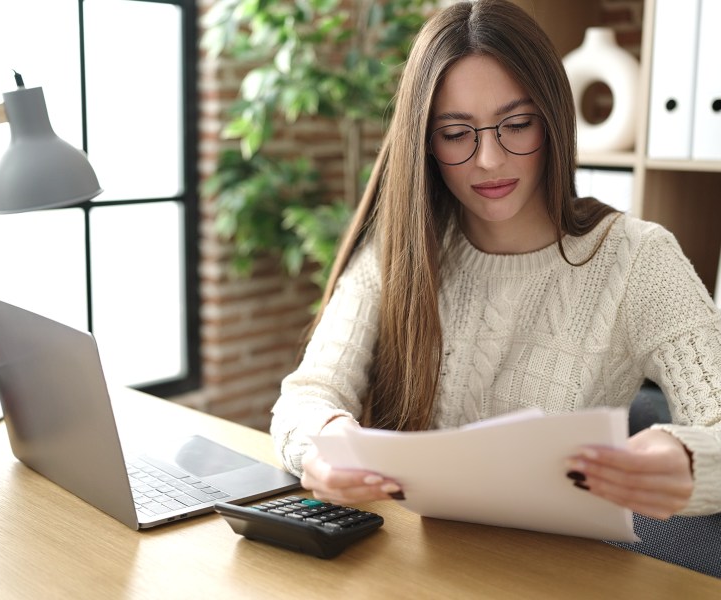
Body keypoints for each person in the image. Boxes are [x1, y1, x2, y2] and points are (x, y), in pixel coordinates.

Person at [270, 0, 721, 520]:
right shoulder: (403, 251)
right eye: (457, 134)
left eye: (517, 123)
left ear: (552, 120)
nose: (489, 159)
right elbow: (306, 394)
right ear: (427, 144)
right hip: (415, 565)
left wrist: (684, 457)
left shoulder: (637, 258)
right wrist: (326, 440)